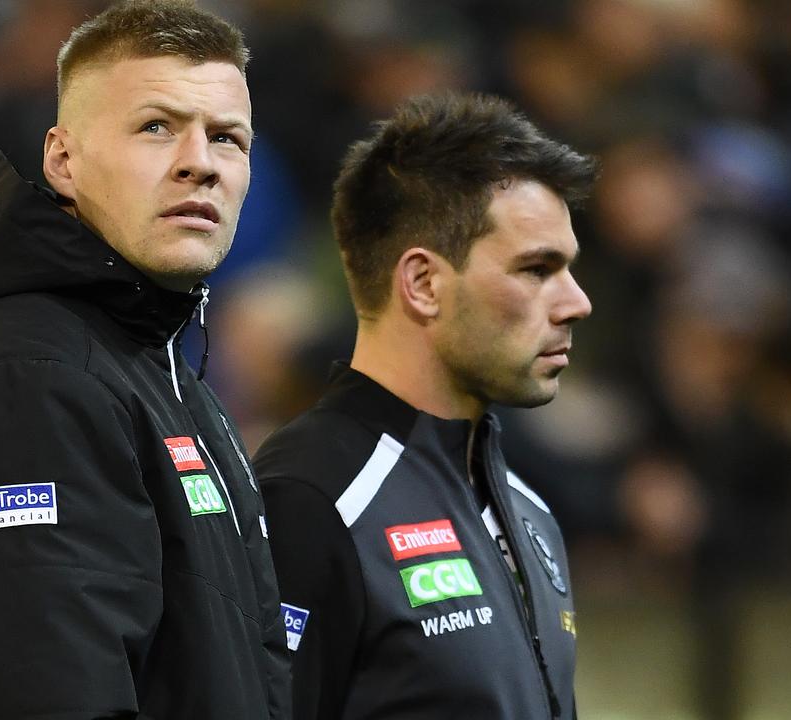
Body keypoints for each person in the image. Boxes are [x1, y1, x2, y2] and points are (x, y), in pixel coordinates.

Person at [0, 2, 289, 719]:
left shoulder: (153, 363)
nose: (200, 163)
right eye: (156, 127)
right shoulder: (27, 377)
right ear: (63, 160)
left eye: (227, 138)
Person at [254, 93, 596, 720]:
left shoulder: (530, 509)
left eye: (568, 268)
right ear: (423, 284)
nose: (577, 302)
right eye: (537, 269)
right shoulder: (311, 499)